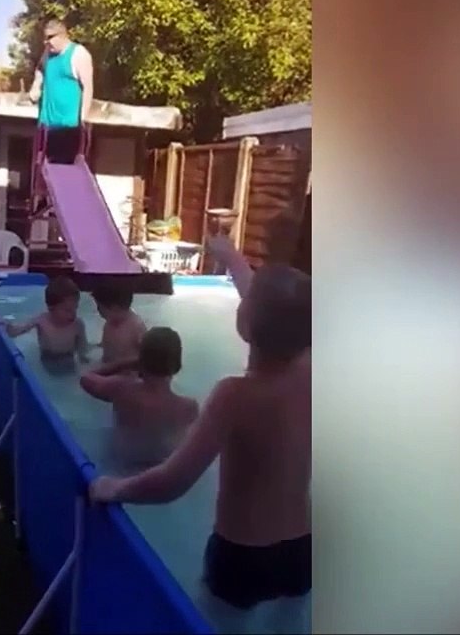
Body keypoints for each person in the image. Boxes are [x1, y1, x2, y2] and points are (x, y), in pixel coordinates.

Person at [89, 239, 312, 611]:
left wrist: (114, 488)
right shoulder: (310, 371)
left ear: (245, 323)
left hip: (243, 554)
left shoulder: (235, 395)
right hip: (303, 548)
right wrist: (230, 257)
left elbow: (172, 482)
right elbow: (275, 313)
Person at [80, 326, 199, 468]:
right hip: (160, 469)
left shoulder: (121, 389)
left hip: (121, 463)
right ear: (177, 365)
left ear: (141, 361)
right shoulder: (188, 408)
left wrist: (127, 362)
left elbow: (85, 378)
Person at [26, 19, 94, 166]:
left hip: (68, 126)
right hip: (47, 125)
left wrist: (83, 119)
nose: (46, 42)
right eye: (45, 38)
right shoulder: (48, 54)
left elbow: (88, 87)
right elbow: (40, 69)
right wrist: (36, 86)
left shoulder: (78, 54)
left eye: (49, 37)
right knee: (45, 169)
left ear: (62, 35)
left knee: (63, 170)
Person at [1, 275, 90, 361]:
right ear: (51, 308)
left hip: (68, 360)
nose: (73, 314)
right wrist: (6, 325)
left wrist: (84, 359)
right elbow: (15, 332)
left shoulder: (78, 325)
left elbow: (83, 348)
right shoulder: (41, 321)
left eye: (76, 308)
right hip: (47, 359)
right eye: (67, 310)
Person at [91, 282, 147, 364]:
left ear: (114, 308)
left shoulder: (136, 326)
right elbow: (106, 347)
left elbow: (147, 354)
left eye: (99, 307)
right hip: (110, 368)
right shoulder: (109, 323)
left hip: (129, 371)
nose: (98, 310)